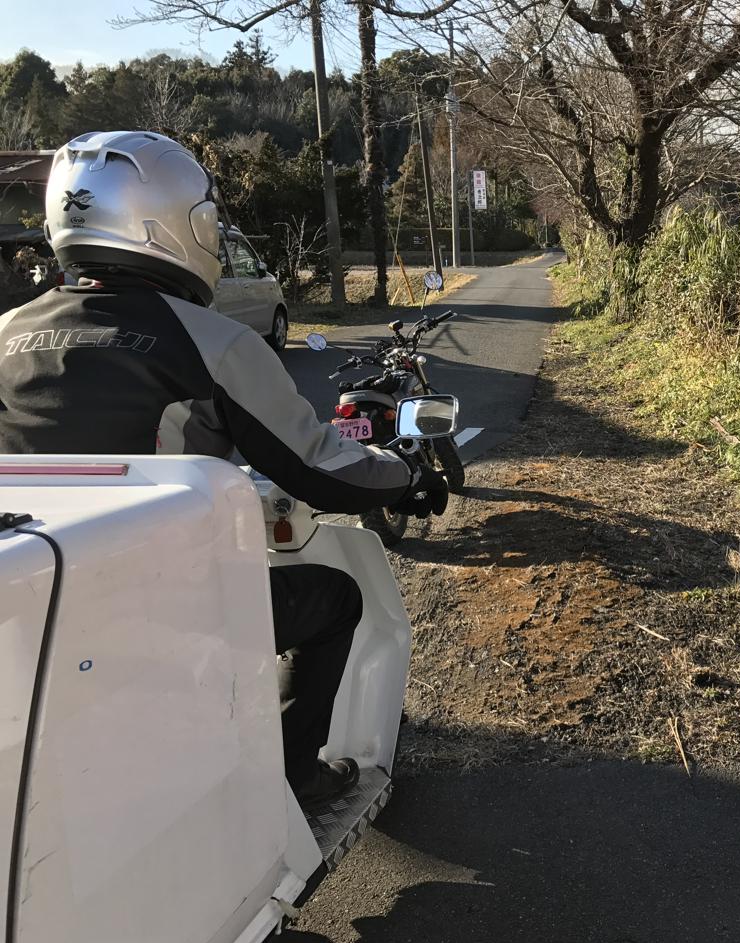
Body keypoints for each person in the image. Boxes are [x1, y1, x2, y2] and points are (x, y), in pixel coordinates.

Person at [0, 130, 449, 808]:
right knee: (337, 599)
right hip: (157, 606)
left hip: (29, 599)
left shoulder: (9, 333)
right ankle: (297, 777)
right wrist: (406, 473)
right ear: (181, 224)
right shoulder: (213, 342)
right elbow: (318, 469)